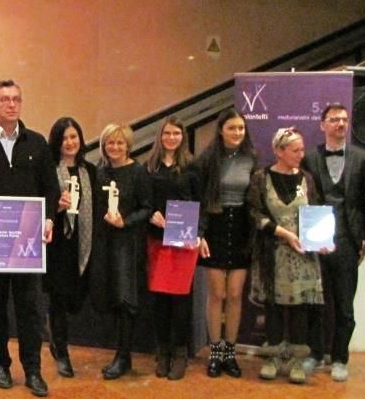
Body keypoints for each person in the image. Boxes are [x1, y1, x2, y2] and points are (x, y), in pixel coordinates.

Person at [0, 79, 59, 398]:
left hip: (29, 242)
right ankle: (1, 362)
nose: (11, 104)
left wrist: (48, 218)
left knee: (30, 306)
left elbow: (50, 188)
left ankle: (33, 369)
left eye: (16, 99)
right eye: (4, 99)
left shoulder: (37, 143)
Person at [301, 103, 365, 382]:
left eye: (344, 119)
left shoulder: (363, 158)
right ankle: (315, 353)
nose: (340, 124)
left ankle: (340, 358)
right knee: (315, 302)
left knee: (344, 304)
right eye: (334, 120)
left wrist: (364, 236)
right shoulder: (309, 157)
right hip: (316, 238)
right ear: (323, 125)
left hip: (347, 240)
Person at [249, 128, 325, 384]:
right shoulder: (261, 178)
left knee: (299, 309)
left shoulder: (307, 179)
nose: (301, 155)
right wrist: (283, 233)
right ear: (279, 151)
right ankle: (272, 358)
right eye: (295, 150)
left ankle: (296, 360)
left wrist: (321, 240)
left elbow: (316, 212)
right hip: (272, 252)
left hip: (302, 255)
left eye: (302, 150)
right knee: (273, 306)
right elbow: (255, 214)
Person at [194, 109, 256, 378]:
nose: (237, 133)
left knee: (234, 294)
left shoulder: (251, 158)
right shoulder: (207, 160)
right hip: (215, 226)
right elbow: (200, 200)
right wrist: (200, 233)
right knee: (217, 294)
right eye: (232, 128)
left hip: (241, 227)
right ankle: (215, 352)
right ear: (221, 130)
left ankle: (230, 353)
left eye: (241, 128)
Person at [89, 123, 153, 380]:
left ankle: (124, 356)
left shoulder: (138, 172)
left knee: (126, 298)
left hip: (127, 243)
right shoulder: (99, 173)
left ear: (128, 146)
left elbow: (147, 208)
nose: (115, 147)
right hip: (104, 242)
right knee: (111, 296)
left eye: (120, 143)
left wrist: (125, 222)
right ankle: (119, 352)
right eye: (110, 143)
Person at [145, 117, 200, 380]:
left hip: (184, 242)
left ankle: (180, 353)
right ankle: (163, 351)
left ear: (183, 136)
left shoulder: (192, 167)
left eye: (176, 133)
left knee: (180, 300)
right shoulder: (150, 168)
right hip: (157, 240)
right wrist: (151, 215)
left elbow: (202, 202)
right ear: (160, 136)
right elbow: (143, 202)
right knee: (160, 300)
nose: (171, 137)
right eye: (167, 133)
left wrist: (200, 233)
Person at [43, 117, 97, 378]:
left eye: (73, 137)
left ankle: (56, 337)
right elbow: (39, 203)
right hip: (57, 245)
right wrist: (56, 206)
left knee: (76, 299)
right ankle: (61, 350)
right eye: (64, 138)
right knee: (59, 298)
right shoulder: (48, 171)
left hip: (83, 243)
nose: (69, 142)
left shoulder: (91, 171)